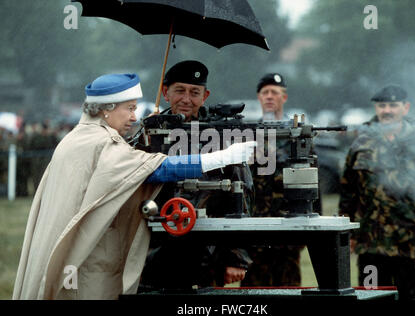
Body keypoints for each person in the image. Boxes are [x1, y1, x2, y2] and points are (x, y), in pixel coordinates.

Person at [13, 73, 255, 300]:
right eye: (129, 108)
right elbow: (155, 168)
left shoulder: (81, 137)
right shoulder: (101, 142)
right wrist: (220, 158)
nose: (134, 116)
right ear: (107, 109)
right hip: (90, 259)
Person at [140, 61, 253, 289]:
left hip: (206, 252)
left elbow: (242, 196)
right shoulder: (147, 135)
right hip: (152, 250)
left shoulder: (221, 137)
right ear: (165, 92)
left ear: (205, 96)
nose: (186, 99)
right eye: (179, 90)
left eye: (194, 93)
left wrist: (236, 258)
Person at [338, 84, 415, 300]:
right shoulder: (361, 143)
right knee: (371, 298)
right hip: (370, 245)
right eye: (382, 105)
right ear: (376, 108)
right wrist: (346, 234)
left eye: (393, 105)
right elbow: (348, 191)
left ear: (405, 108)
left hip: (410, 244)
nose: (387, 110)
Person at [241, 73, 306, 287]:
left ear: (284, 98)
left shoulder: (297, 137)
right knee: (253, 295)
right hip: (255, 230)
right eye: (265, 92)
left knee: (290, 290)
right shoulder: (248, 135)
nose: (269, 97)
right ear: (259, 98)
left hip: (288, 232)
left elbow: (310, 186)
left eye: (274, 93)